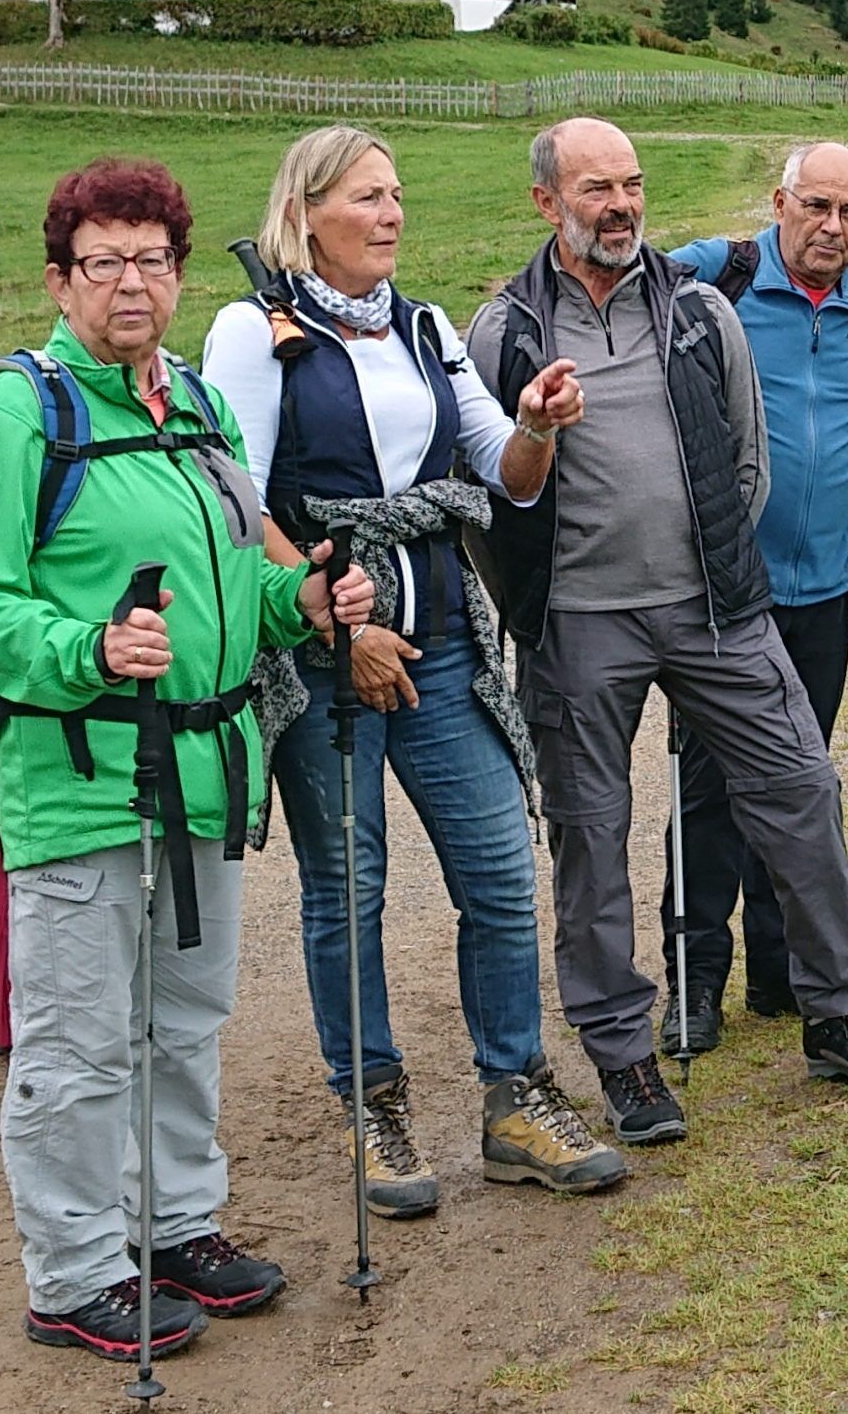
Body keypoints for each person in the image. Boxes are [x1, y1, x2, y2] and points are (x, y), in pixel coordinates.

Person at [0, 158, 375, 1363]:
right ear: (59, 279)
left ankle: (175, 1225)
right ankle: (74, 1269)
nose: (131, 282)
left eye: (151, 260)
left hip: (205, 767)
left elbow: (238, 580)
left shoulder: (196, 407)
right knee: (77, 1042)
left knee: (183, 1021)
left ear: (178, 275)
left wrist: (305, 601)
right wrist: (89, 646)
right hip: (81, 773)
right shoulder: (20, 412)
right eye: (103, 261)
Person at [467, 117, 848, 1147]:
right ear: (547, 202)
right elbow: (487, 497)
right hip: (581, 621)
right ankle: (625, 1061)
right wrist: (536, 610)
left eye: (630, 185)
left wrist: (716, 567)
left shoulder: (694, 309)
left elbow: (745, 458)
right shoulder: (504, 331)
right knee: (591, 833)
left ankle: (835, 1012)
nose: (619, 204)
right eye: (596, 189)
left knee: (801, 787)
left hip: (715, 608)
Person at [203, 126, 629, 1215]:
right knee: (349, 891)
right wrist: (338, 623)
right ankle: (373, 1107)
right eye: (365, 198)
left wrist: (537, 423)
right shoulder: (253, 334)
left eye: (396, 196)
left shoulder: (425, 327)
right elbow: (233, 499)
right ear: (304, 215)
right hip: (319, 651)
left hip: (440, 639)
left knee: (495, 871)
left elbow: (504, 474)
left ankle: (515, 1097)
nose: (391, 215)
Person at [662, 141, 848, 1048]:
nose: (831, 228)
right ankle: (692, 981)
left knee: (797, 784)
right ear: (779, 200)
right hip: (719, 586)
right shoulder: (723, 274)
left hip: (826, 585)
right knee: (708, 788)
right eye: (816, 206)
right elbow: (621, 314)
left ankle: (780, 973)